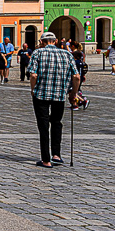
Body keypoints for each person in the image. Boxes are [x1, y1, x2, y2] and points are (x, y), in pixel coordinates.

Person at [26, 31, 79, 168]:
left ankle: (46, 160)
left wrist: (33, 89)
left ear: (42, 42)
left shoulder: (38, 53)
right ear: (55, 41)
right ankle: (56, 155)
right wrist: (73, 93)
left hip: (41, 94)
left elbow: (33, 75)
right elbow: (76, 77)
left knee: (43, 126)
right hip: (59, 95)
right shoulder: (67, 54)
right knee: (56, 123)